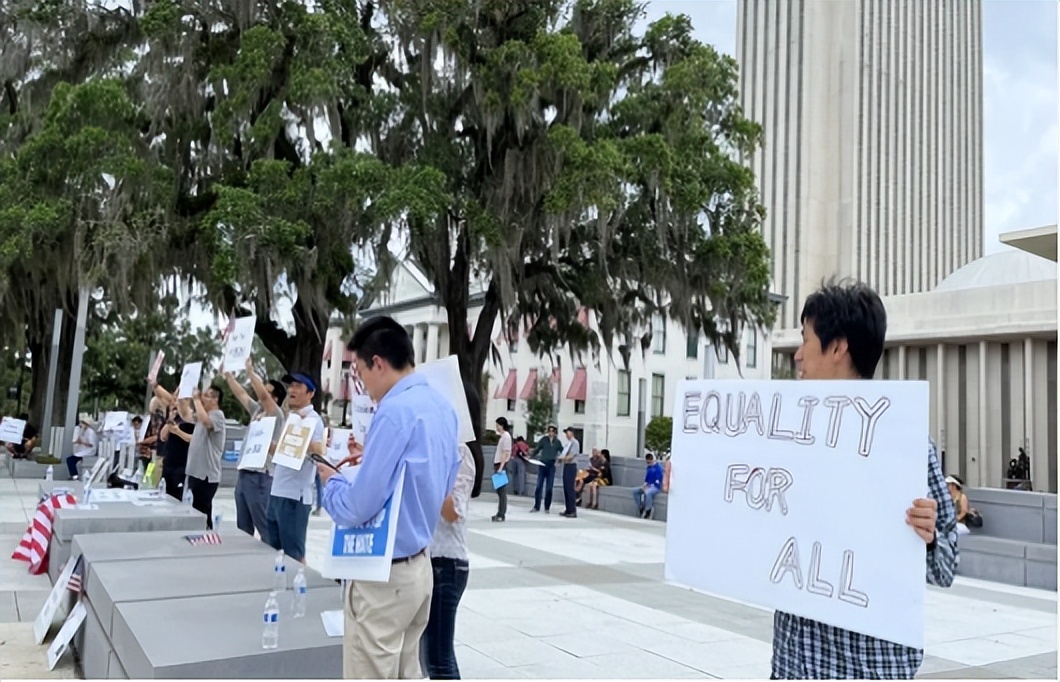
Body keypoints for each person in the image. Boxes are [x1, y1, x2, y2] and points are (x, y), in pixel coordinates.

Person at [771, 280, 957, 679]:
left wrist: (927, 537)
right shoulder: (782, 437)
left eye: (805, 340)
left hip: (867, 668)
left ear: (838, 348)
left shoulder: (903, 445)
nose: (798, 356)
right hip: (794, 663)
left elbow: (945, 567)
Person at [317, 316, 459, 679]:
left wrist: (332, 481)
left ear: (377, 363)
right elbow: (442, 488)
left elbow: (359, 506)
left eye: (361, 374)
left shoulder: (393, 412)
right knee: (405, 671)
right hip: (419, 571)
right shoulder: (443, 408)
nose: (364, 386)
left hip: (382, 576)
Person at [420, 383, 479, 680]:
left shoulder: (460, 453)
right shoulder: (432, 447)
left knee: (440, 657)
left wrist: (432, 468)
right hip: (426, 561)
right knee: (428, 655)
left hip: (447, 564)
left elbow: (452, 512)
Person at [224, 357, 287, 542]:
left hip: (260, 476)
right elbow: (241, 394)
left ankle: (271, 561)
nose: (259, 394)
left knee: (264, 526)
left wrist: (250, 372)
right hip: (244, 475)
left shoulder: (276, 414)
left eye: (266, 391)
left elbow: (263, 397)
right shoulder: (256, 411)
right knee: (243, 528)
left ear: (275, 398)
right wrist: (228, 376)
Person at [266, 371, 324, 562]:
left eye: (298, 386)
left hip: (294, 497)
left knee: (294, 555)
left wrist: (302, 439)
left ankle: (300, 588)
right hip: (277, 491)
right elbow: (283, 451)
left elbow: (318, 451)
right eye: (290, 386)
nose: (291, 390)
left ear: (311, 393)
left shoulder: (313, 420)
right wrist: (263, 440)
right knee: (272, 550)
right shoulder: (290, 419)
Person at [182, 386, 227, 528]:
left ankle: (206, 539)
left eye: (207, 396)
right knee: (195, 511)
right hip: (195, 472)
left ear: (215, 399)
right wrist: (182, 398)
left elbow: (207, 422)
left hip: (206, 475)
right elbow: (185, 415)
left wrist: (196, 399)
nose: (202, 398)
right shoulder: (201, 415)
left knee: (201, 514)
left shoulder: (218, 415)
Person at [530, 425, 561, 513]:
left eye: (552, 431)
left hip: (551, 465)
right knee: (539, 486)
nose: (551, 433)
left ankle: (547, 507)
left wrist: (560, 460)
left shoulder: (557, 442)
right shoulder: (544, 440)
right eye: (549, 431)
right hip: (542, 464)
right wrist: (531, 456)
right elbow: (537, 449)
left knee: (549, 487)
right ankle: (536, 506)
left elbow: (562, 451)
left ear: (555, 433)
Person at [492, 417, 512, 522]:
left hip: (501, 464)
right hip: (498, 464)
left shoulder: (506, 437)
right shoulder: (503, 436)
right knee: (499, 490)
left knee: (502, 491)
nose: (496, 427)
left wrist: (501, 467)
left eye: (497, 425)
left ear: (501, 425)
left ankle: (501, 513)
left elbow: (506, 452)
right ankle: (500, 512)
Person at [66, 413, 98, 480]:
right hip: (82, 450)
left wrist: (82, 442)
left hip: (89, 451)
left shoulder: (90, 432)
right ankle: (74, 475)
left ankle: (75, 476)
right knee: (70, 460)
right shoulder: (82, 431)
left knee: (71, 459)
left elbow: (91, 444)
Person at [632, 453, 663, 519]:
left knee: (648, 493)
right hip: (648, 485)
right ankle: (641, 506)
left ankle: (649, 509)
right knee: (635, 491)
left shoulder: (658, 468)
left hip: (655, 487)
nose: (648, 463)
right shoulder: (649, 468)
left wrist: (649, 486)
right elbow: (647, 479)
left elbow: (658, 481)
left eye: (649, 462)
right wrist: (644, 485)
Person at [559, 427, 581, 518]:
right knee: (566, 488)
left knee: (570, 488)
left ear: (571, 432)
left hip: (571, 466)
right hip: (567, 465)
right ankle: (568, 509)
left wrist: (562, 458)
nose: (566, 435)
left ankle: (572, 510)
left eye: (567, 432)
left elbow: (571, 456)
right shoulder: (569, 443)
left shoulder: (575, 443)